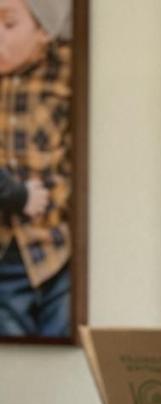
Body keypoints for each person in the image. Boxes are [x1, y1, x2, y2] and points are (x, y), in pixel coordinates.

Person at [0, 0, 73, 338]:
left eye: (8, 24)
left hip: (58, 249)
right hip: (5, 256)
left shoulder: (67, 72)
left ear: (44, 31)